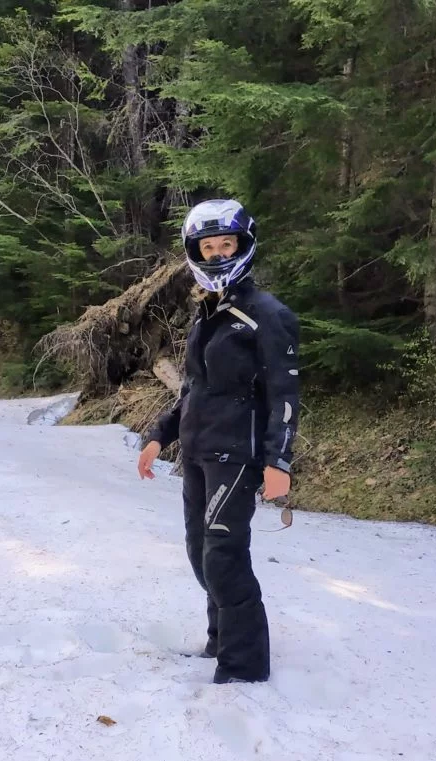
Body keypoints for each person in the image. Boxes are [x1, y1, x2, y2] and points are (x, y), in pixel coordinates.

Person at [137, 199, 300, 684]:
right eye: (207, 247)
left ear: (243, 245)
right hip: (198, 452)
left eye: (224, 244)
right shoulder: (208, 312)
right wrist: (158, 435)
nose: (216, 254)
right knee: (198, 551)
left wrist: (279, 461)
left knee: (224, 556)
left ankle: (245, 665)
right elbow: (193, 388)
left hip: (240, 455)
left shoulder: (267, 314)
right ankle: (220, 640)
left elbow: (285, 394)